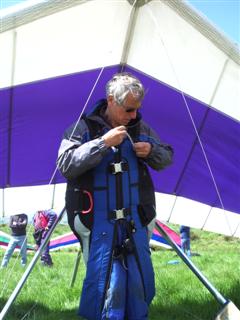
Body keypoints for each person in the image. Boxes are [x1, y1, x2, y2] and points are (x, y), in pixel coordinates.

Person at [57, 72, 173, 319]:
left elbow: (167, 157)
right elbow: (65, 164)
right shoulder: (82, 128)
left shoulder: (141, 127)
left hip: (135, 222)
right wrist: (102, 143)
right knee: (109, 286)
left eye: (137, 110)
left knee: (139, 283)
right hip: (97, 224)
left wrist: (152, 150)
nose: (134, 116)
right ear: (111, 100)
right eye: (129, 110)